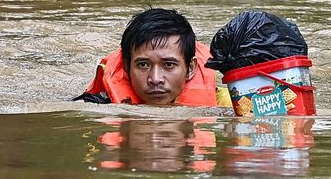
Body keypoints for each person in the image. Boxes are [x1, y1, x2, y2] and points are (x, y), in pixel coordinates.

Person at [75, 8, 230, 106]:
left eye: (169, 64)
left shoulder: (225, 104)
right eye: (143, 65)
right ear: (127, 68)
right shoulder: (97, 104)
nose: (155, 79)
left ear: (190, 69)